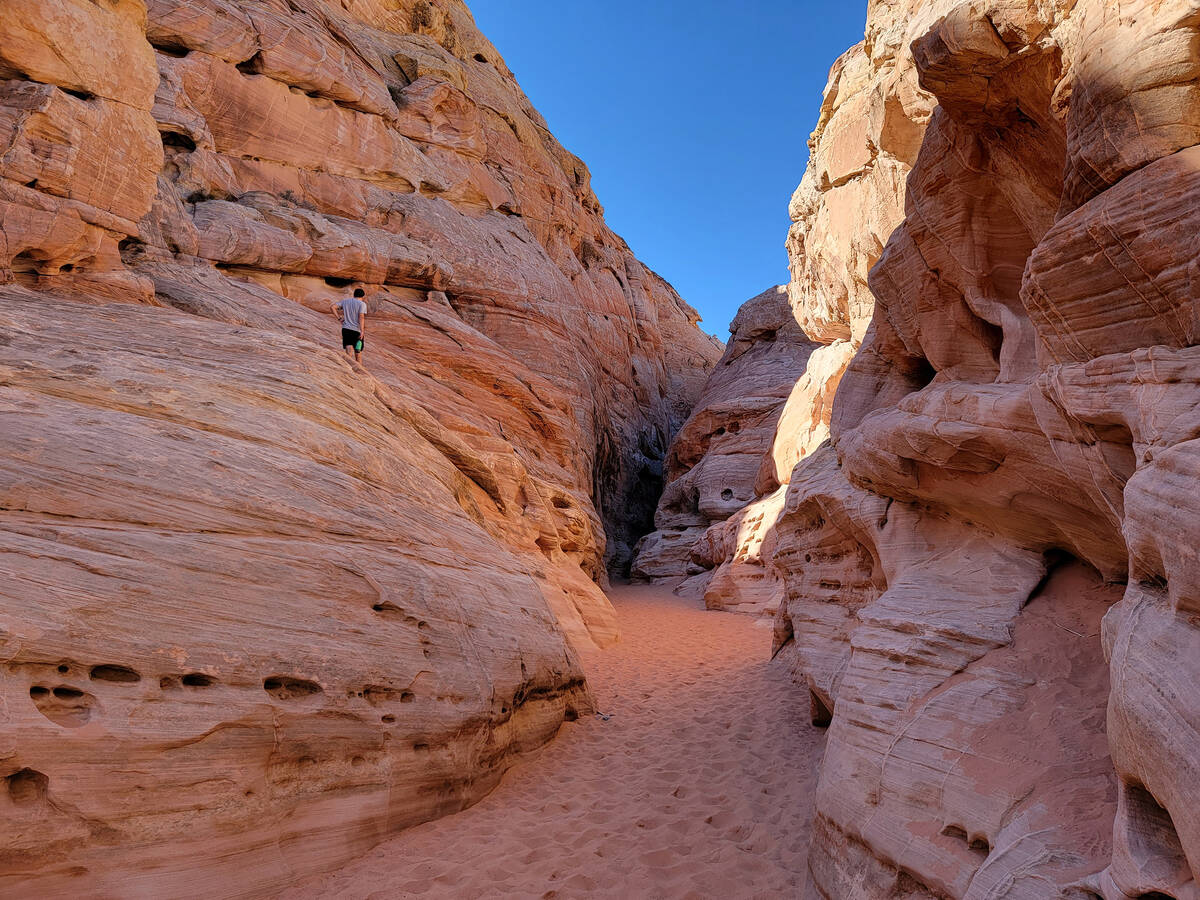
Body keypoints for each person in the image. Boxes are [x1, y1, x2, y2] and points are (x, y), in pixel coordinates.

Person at [331, 287, 367, 365]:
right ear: (363, 296)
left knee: (348, 353)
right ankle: (359, 373)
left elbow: (332, 307)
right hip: (356, 331)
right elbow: (361, 317)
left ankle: (348, 370)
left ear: (354, 295)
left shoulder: (345, 301)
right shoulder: (362, 304)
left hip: (346, 329)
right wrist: (362, 331)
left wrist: (339, 318)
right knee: (358, 353)